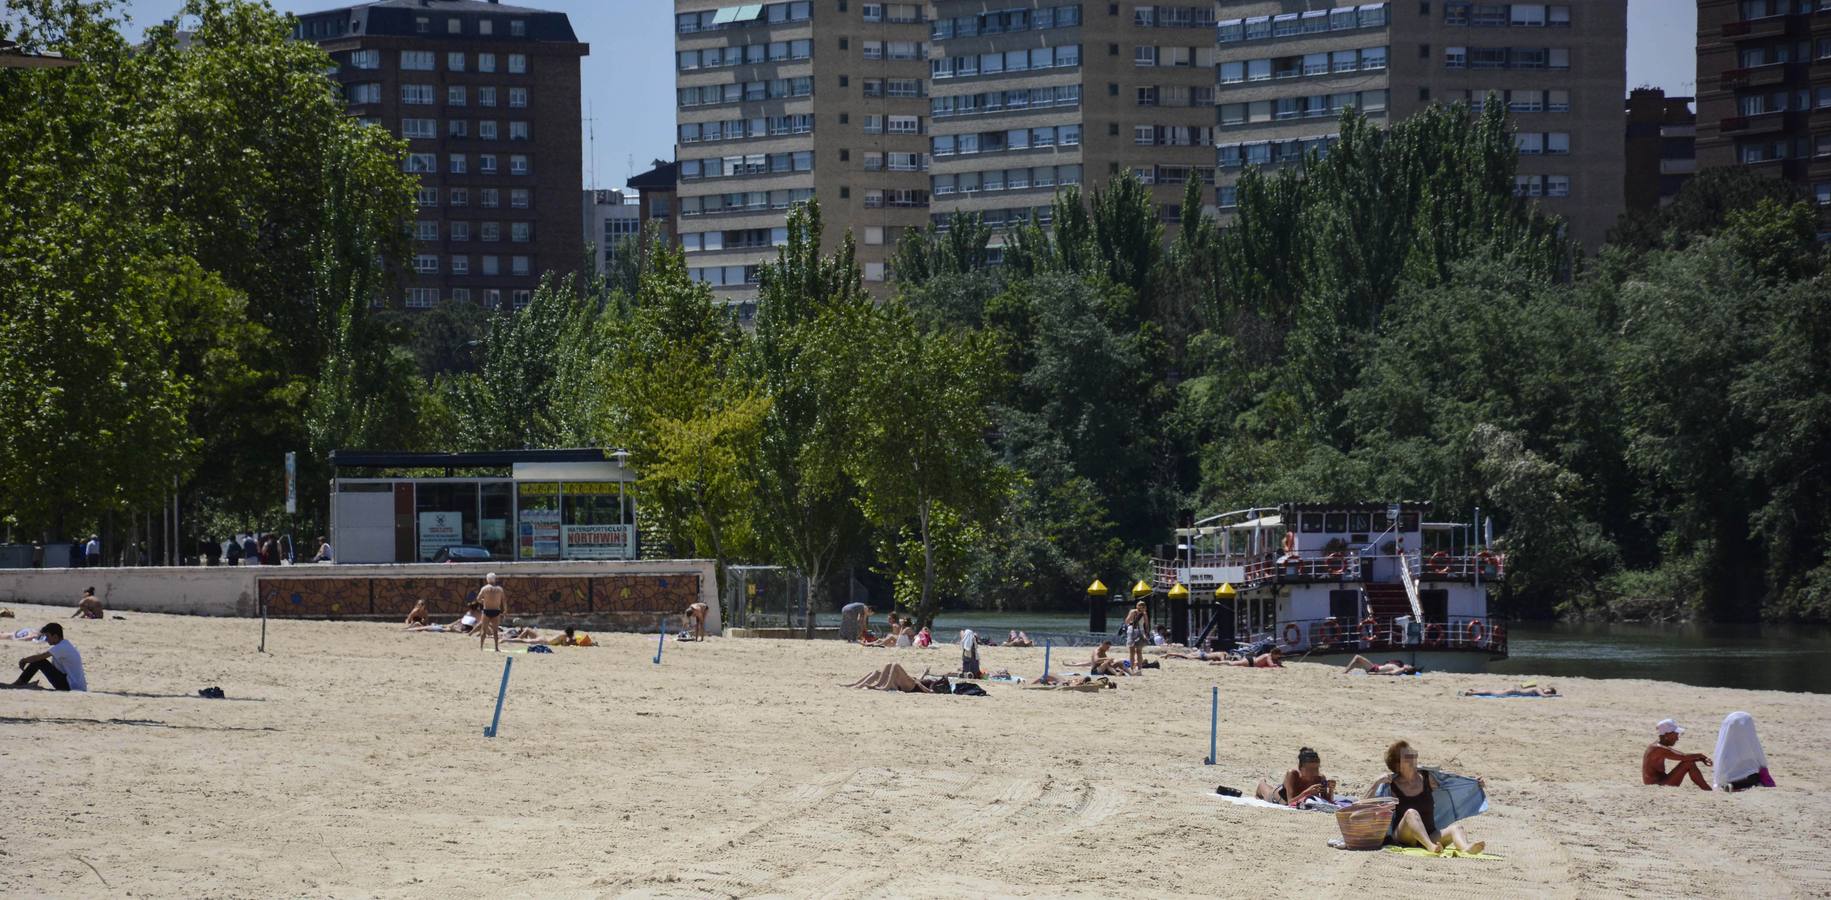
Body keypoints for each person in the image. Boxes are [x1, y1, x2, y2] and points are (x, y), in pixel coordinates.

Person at [1370, 740, 1485, 855]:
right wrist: (1376, 783)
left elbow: (1453, 783)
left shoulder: (1427, 777)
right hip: (1404, 836)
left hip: (1430, 834)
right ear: (1398, 765)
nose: (1413, 758)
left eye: (1413, 754)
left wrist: (1474, 783)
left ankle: (1466, 848)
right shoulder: (1391, 785)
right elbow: (1365, 804)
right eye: (1407, 756)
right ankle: (1430, 847)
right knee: (1411, 813)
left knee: (1457, 828)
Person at [3, 623, 86, 692]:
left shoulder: (62, 647)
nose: (46, 639)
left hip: (71, 687)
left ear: (55, 637)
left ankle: (19, 683)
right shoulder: (64, 645)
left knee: (40, 661)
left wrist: (24, 660)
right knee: (39, 660)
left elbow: (41, 656)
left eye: (47, 636)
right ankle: (20, 682)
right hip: (70, 684)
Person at [1643, 719, 1712, 790]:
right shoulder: (1658, 749)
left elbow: (1682, 755)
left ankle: (1707, 789)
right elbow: (1683, 757)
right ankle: (1708, 790)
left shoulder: (1658, 745)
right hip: (1657, 784)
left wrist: (1700, 759)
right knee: (1689, 763)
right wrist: (1700, 755)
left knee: (1688, 762)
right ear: (1667, 734)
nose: (1677, 738)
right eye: (1675, 735)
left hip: (1661, 780)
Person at [1712, 711, 1773, 791]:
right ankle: (1736, 786)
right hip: (1748, 778)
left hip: (1726, 779)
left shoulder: (1724, 744)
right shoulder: (1749, 741)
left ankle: (1731, 785)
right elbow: (1761, 760)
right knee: (1754, 774)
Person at [1256, 747, 1336, 806]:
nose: (1313, 772)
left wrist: (1331, 790)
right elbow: (1290, 802)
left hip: (1290, 795)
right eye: (1309, 769)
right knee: (1265, 790)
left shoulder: (1320, 778)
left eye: (1316, 768)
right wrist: (1307, 792)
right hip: (1278, 798)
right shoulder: (1292, 774)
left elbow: (1327, 803)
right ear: (1300, 768)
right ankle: (1261, 783)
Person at [846, 662, 933, 692]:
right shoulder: (936, 679)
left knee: (895, 665)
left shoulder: (937, 684)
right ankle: (856, 685)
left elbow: (930, 692)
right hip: (911, 681)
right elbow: (920, 679)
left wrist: (918, 683)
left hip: (914, 686)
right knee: (878, 671)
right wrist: (925, 672)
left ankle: (885, 687)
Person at [477, 573, 507, 651]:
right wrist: (505, 610)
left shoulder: (484, 588)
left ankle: (481, 647)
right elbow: (504, 600)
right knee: (495, 631)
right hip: (496, 611)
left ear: (487, 579)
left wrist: (483, 601)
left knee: (483, 630)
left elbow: (478, 599)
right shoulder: (500, 589)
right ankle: (496, 648)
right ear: (495, 579)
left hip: (486, 610)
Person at [1123, 600, 1151, 674]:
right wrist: (1147, 633)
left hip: (1136, 632)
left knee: (1137, 651)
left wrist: (1147, 632)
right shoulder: (1134, 612)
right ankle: (1134, 669)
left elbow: (1126, 622)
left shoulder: (1143, 613)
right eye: (1140, 605)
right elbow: (1127, 621)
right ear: (1137, 606)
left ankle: (1138, 669)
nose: (1141, 607)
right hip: (1135, 631)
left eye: (1142, 606)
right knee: (1134, 651)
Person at [1343, 655, 1418, 675]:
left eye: (1409, 666)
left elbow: (1389, 673)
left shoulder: (1399, 669)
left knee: (1357, 657)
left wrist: (1374, 674)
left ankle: (1345, 672)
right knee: (1358, 660)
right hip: (1375, 667)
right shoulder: (1399, 667)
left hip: (1374, 669)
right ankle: (1347, 670)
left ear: (1407, 670)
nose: (1407, 664)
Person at [1219, 646, 1284, 668]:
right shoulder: (1268, 656)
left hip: (1251, 660)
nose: (1278, 657)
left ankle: (1217, 663)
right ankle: (1216, 663)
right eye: (1278, 656)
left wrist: (1278, 663)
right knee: (1231, 664)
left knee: (1233, 663)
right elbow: (1271, 665)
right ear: (1275, 654)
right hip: (1250, 661)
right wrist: (1278, 664)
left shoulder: (1270, 656)